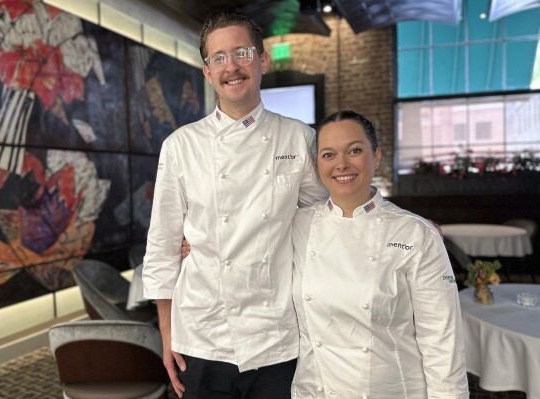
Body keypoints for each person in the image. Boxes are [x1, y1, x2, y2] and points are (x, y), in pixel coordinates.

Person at [141, 9, 328, 399]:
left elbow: (327, 218)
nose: (232, 67)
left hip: (276, 333)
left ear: (263, 60)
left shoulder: (299, 139)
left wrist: (398, 222)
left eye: (242, 53)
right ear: (207, 72)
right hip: (201, 334)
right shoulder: (181, 146)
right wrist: (167, 330)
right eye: (219, 58)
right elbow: (161, 244)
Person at [291, 110, 469, 398]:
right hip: (314, 389)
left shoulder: (417, 234)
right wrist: (189, 246)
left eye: (355, 150)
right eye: (328, 155)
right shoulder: (297, 225)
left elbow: (441, 339)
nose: (341, 164)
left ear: (376, 157)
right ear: (317, 165)